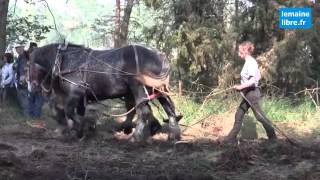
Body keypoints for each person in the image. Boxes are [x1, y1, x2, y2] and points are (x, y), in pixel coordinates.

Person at [222, 41, 277, 142]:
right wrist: (241, 87)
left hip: (252, 94)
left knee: (260, 117)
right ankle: (230, 138)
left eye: (240, 52)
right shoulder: (248, 62)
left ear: (246, 51)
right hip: (247, 93)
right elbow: (258, 76)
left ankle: (273, 137)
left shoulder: (251, 62)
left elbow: (252, 81)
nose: (239, 54)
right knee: (239, 114)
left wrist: (241, 86)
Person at [26, 42, 44, 120]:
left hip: (39, 86)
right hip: (31, 85)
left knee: (38, 103)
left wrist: (37, 81)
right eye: (32, 50)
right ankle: (31, 116)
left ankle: (36, 118)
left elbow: (43, 74)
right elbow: (29, 73)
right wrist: (28, 79)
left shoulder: (41, 63)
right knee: (31, 101)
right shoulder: (30, 63)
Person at [15, 44, 29, 115]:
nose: (17, 50)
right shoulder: (19, 57)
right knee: (21, 95)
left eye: (18, 48)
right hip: (19, 78)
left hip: (23, 79)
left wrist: (22, 77)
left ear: (22, 48)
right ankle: (25, 112)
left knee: (23, 95)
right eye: (16, 48)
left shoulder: (24, 57)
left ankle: (26, 113)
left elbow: (24, 68)